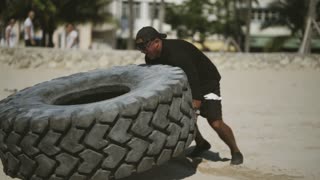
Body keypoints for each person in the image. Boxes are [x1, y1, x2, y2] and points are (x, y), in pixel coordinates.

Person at [135, 26, 244, 165]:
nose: (143, 52)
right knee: (184, 118)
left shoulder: (177, 54)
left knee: (215, 122)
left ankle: (235, 151)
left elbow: (194, 79)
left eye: (145, 47)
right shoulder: (150, 58)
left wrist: (195, 107)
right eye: (140, 49)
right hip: (186, 84)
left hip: (208, 83)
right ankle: (201, 143)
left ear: (157, 41)